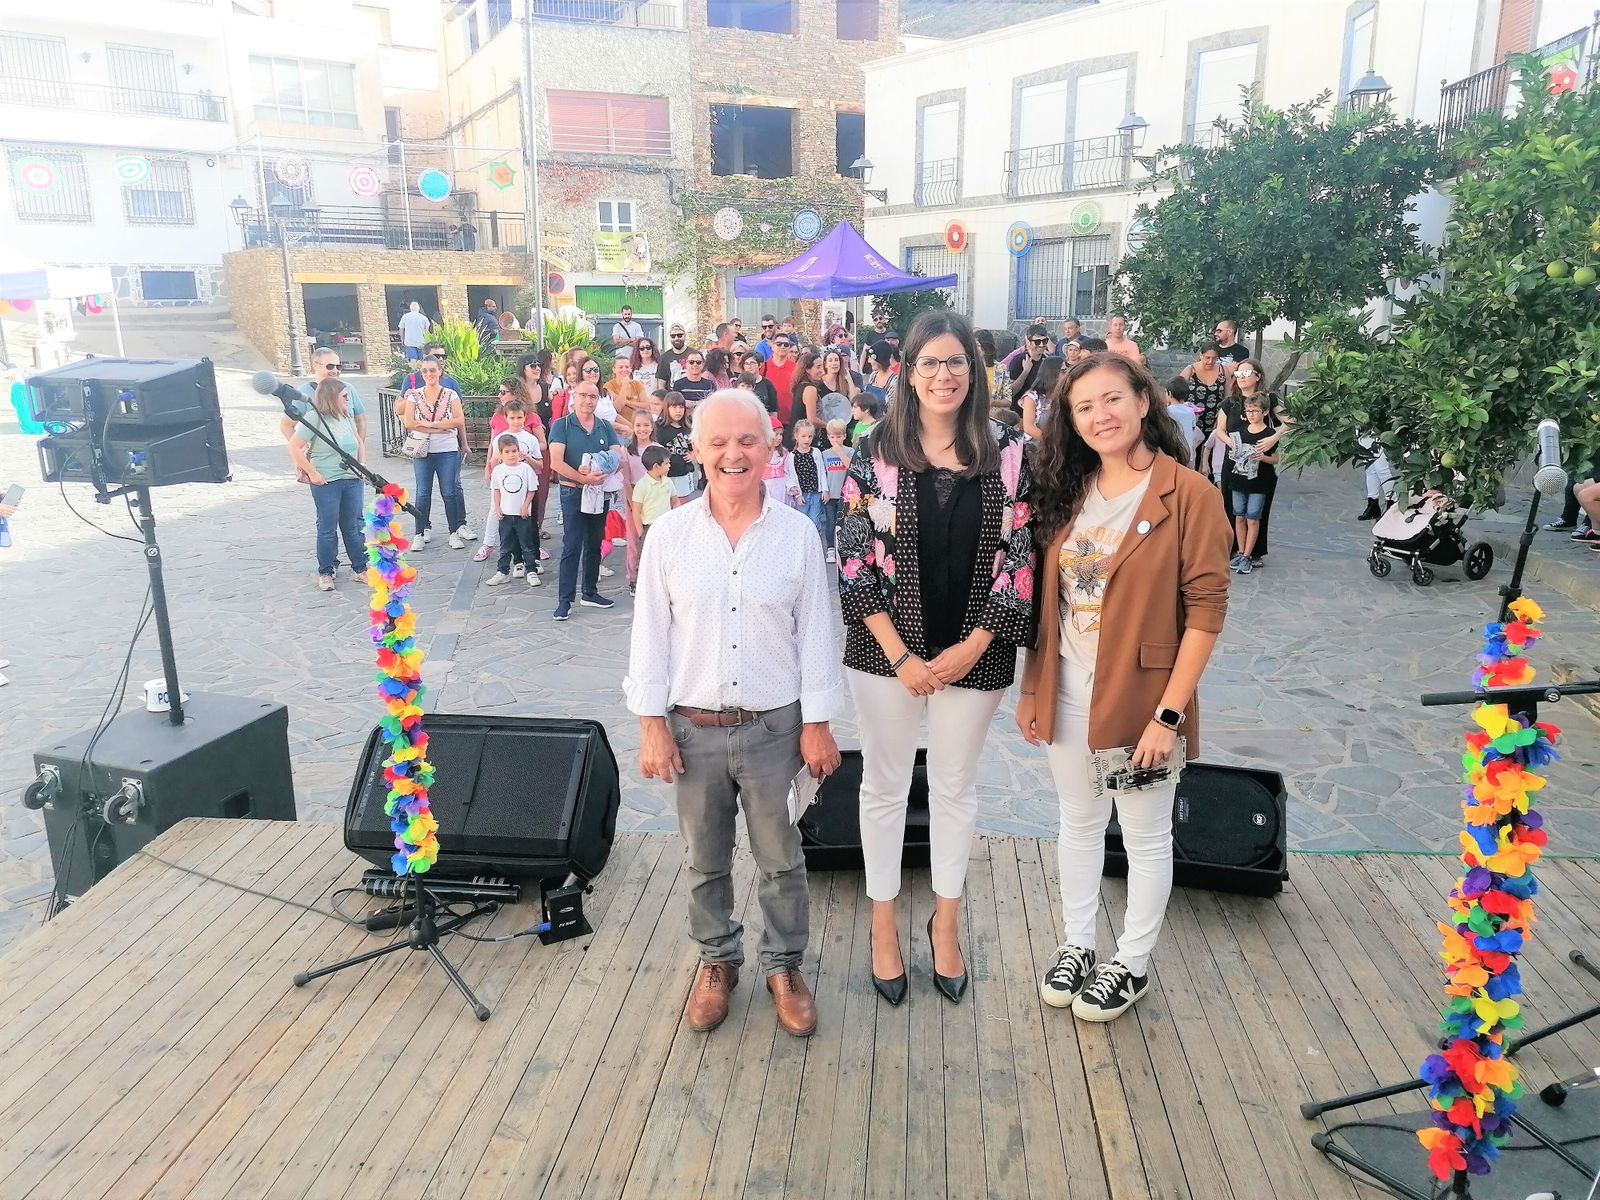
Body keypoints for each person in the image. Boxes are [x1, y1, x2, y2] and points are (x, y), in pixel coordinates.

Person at [624, 388, 843, 1038]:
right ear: (695, 450)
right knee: (703, 860)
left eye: (746, 440)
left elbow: (818, 634)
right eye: (717, 442)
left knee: (781, 859)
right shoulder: (669, 537)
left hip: (776, 727)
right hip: (694, 729)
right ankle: (718, 961)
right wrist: (651, 724)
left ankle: (784, 964)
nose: (732, 454)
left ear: (770, 446)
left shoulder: (798, 535)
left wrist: (819, 721)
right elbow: (650, 636)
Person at [1018, 352, 1230, 1022]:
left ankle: (1131, 963)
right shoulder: (1067, 492)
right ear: (1071, 423)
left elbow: (1206, 613)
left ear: (1143, 401)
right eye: (1083, 407)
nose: (1100, 416)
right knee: (1078, 822)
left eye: (1112, 399)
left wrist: (1167, 717)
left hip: (1143, 701)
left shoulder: (1188, 495)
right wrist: (1034, 691)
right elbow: (1045, 609)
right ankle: (1079, 945)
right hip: (1068, 688)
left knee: (1142, 834)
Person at [836, 310, 1037, 1008]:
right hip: (884, 650)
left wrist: (979, 641)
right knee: (885, 788)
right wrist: (902, 657)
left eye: (957, 362)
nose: (944, 375)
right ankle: (883, 925)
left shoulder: (1009, 449)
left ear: (975, 373)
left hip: (974, 650)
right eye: (930, 363)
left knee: (955, 786)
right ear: (908, 372)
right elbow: (854, 555)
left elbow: (1022, 554)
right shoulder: (875, 449)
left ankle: (945, 923)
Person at [548, 380, 623, 620]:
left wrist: (602, 471)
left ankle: (590, 592)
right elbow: (556, 462)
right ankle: (564, 600)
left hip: (598, 491)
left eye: (593, 396)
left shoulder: (604, 426)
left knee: (594, 542)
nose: (589, 400)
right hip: (573, 492)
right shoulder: (562, 425)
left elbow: (617, 455)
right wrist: (582, 478)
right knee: (572, 544)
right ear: (574, 396)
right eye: (584, 395)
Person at [287, 378, 367, 592]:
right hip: (327, 481)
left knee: (353, 526)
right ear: (332, 397)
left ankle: (360, 568)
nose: (348, 399)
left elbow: (358, 440)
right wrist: (312, 472)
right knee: (327, 527)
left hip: (351, 478)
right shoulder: (314, 417)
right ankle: (326, 571)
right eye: (344, 396)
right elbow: (295, 446)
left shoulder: (346, 416)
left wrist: (361, 465)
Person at [1215, 358, 1283, 566]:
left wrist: (1274, 437)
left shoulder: (1268, 400)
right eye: (1238, 374)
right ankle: (1234, 549)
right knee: (1232, 507)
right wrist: (1231, 444)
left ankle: (1254, 552)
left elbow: (1292, 422)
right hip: (1234, 463)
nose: (1241, 378)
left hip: (1261, 465)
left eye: (1246, 373)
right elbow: (1220, 430)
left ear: (1257, 376)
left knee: (1257, 510)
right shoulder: (1230, 402)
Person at [398, 358, 469, 549]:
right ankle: (419, 532)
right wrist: (437, 427)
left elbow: (459, 419)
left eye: (432, 370)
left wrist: (430, 425)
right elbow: (409, 422)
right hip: (423, 450)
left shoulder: (450, 393)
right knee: (422, 493)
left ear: (440, 372)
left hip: (446, 449)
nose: (429, 374)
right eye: (425, 371)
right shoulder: (414, 395)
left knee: (449, 492)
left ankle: (453, 532)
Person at [476, 388, 543, 566]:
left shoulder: (530, 439)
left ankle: (533, 557)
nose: (516, 421)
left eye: (519, 417)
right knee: (507, 523)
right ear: (505, 418)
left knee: (529, 520)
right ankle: (514, 559)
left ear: (525, 417)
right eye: (512, 418)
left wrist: (527, 457)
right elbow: (493, 460)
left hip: (526, 484)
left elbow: (540, 464)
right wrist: (491, 468)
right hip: (506, 485)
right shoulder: (500, 438)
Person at [281, 349, 369, 469]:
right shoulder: (304, 393)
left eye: (338, 366)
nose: (335, 371)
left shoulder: (348, 389)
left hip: (349, 463)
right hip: (323, 465)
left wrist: (358, 449)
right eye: (330, 366)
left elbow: (361, 420)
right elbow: (286, 425)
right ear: (316, 366)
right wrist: (304, 452)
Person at [1225, 396, 1280, 574]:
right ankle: (1241, 552)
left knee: (1253, 517)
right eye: (1248, 410)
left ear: (1264, 412)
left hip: (1259, 481)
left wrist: (1263, 458)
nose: (1251, 414)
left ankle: (1248, 555)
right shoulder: (1240, 431)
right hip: (1239, 479)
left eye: (1255, 410)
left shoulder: (1270, 435)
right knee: (1239, 515)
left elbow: (1277, 458)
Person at [485, 434, 542, 589]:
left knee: (527, 544)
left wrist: (525, 506)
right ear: (501, 454)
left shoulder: (526, 469)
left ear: (519, 451)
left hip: (522, 515)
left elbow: (532, 489)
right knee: (505, 545)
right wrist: (497, 508)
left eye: (514, 451)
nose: (511, 455)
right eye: (507, 452)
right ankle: (502, 572)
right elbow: (496, 490)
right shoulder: (498, 471)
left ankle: (531, 570)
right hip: (505, 514)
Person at [1179, 344, 1229, 478]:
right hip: (1194, 421)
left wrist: (1224, 416)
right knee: (1192, 455)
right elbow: (1176, 392)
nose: (1210, 361)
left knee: (1214, 457)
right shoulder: (1191, 370)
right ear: (1200, 355)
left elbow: (1228, 395)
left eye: (1214, 358)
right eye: (1207, 357)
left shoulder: (1223, 370)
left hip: (1215, 420)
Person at [789, 419, 828, 546]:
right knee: (802, 520)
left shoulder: (815, 452)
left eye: (810, 436)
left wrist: (825, 490)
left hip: (815, 493)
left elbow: (821, 471)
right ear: (796, 436)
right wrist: (797, 495)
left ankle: (814, 545)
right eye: (803, 436)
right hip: (802, 495)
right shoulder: (792, 456)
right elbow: (791, 477)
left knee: (815, 520)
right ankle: (802, 545)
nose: (807, 439)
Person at [631, 444, 674, 557]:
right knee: (649, 560)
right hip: (649, 527)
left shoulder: (668, 482)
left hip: (667, 526)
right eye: (666, 463)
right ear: (656, 466)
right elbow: (636, 511)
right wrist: (641, 533)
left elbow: (675, 500)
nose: (669, 466)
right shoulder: (641, 486)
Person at [821, 418, 853, 563]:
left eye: (838, 436)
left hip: (846, 495)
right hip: (831, 495)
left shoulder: (850, 451)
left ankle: (845, 547)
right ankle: (831, 549)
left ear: (844, 436)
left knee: (846, 522)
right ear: (828, 437)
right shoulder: (824, 454)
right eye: (832, 436)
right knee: (831, 522)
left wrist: (840, 452)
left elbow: (850, 467)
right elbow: (822, 474)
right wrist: (825, 491)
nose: (835, 440)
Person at [656, 391, 697, 499]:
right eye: (674, 407)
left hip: (683, 472)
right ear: (667, 408)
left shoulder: (688, 428)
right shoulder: (658, 428)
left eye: (681, 407)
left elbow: (697, 445)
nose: (678, 411)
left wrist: (693, 454)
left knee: (681, 505)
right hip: (664, 474)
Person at [1002, 323, 1056, 397]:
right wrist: (1026, 371)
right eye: (1037, 342)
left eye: (1044, 341)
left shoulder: (1047, 361)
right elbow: (1011, 392)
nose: (1041, 345)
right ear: (1028, 343)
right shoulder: (1018, 360)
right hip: (1019, 407)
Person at [1020, 355, 1064, 440]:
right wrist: (1051, 442)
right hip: (1037, 444)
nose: (1067, 373)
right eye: (1063, 370)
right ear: (1053, 373)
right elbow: (1029, 427)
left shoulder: (1065, 394)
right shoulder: (1032, 396)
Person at [605, 354, 645, 431]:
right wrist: (624, 386)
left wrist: (627, 402)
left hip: (639, 426)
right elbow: (618, 408)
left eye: (627, 367)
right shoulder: (608, 386)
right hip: (621, 429)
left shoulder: (637, 384)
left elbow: (646, 406)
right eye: (621, 367)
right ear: (614, 369)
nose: (624, 370)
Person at [764, 335, 800, 422]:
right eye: (779, 344)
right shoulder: (764, 367)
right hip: (768, 420)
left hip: (790, 420)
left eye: (786, 344)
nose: (782, 347)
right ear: (772, 346)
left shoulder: (796, 368)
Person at [791, 351, 826, 430]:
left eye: (822, 366)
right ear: (807, 369)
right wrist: (830, 426)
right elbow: (812, 420)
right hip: (805, 435)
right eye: (818, 367)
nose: (822, 370)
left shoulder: (799, 386)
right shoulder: (810, 389)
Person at [863, 341, 898, 405]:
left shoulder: (894, 381)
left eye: (870, 358)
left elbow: (894, 408)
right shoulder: (873, 375)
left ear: (879, 360)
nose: (868, 361)